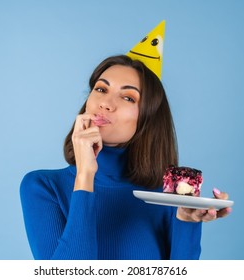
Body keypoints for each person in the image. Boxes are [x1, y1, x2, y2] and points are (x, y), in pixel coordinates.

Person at [20, 55, 231, 260]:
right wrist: (84, 174)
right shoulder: (42, 187)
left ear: (147, 120)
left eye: (128, 97)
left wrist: (187, 221)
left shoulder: (168, 198)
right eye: (101, 89)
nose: (106, 103)